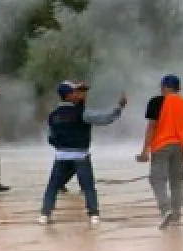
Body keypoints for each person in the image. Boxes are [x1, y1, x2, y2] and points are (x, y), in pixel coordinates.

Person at [39, 81, 127, 226]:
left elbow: (50, 138)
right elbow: (104, 119)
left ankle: (45, 214)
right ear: (68, 95)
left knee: (52, 187)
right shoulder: (82, 113)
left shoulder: (53, 115)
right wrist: (119, 108)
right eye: (74, 92)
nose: (77, 94)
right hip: (80, 156)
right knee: (88, 187)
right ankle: (94, 215)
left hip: (61, 156)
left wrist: (62, 147)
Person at [136, 74, 183, 230]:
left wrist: (144, 152)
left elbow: (152, 126)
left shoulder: (156, 101)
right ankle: (176, 216)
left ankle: (165, 209)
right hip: (180, 147)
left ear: (163, 87)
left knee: (157, 179)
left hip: (161, 145)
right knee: (177, 182)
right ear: (179, 89)